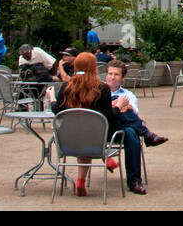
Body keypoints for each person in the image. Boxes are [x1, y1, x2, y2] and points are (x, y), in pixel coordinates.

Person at [50, 52, 125, 196]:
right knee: (91, 131)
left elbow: (57, 111)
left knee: (81, 132)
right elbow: (109, 117)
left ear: (76, 65)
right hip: (96, 141)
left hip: (68, 141)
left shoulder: (66, 87)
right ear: (94, 67)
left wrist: (52, 97)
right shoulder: (102, 89)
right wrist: (118, 106)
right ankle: (104, 157)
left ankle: (81, 182)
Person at [104, 61, 166, 195]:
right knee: (124, 113)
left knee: (131, 132)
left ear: (123, 78)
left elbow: (133, 110)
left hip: (120, 130)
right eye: (110, 74)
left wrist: (118, 106)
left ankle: (134, 182)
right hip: (104, 130)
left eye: (116, 74)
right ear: (106, 75)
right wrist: (116, 106)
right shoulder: (99, 92)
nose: (112, 77)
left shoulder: (129, 94)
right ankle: (147, 134)